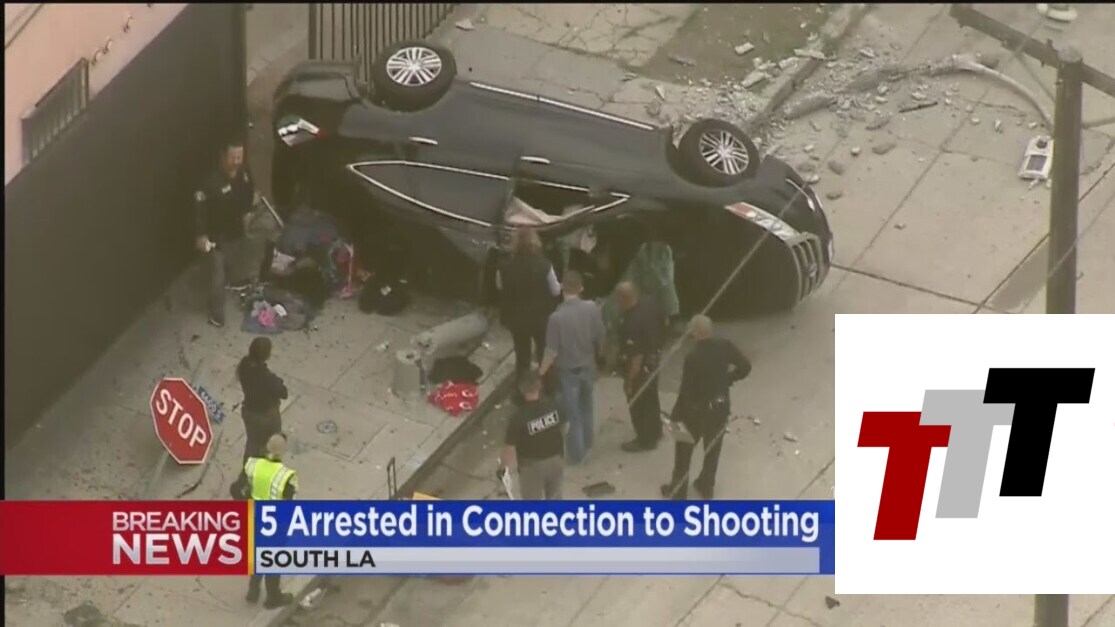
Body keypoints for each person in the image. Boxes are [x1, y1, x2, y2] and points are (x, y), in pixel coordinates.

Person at [661, 315, 751, 500]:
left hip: (695, 413)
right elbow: (746, 366)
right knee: (712, 450)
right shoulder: (725, 345)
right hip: (719, 409)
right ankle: (706, 485)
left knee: (683, 453)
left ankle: (678, 492)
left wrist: (675, 416)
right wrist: (728, 379)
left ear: (695, 333)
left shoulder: (692, 358)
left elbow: (686, 391)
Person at [539, 271, 605, 464]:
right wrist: (599, 356)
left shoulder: (556, 318)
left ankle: (577, 454)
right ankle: (588, 443)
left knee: (573, 415)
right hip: (588, 366)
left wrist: (540, 373)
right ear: (581, 288)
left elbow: (551, 351)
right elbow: (600, 335)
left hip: (568, 371)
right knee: (587, 407)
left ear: (562, 289)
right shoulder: (592, 308)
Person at [194, 135, 260, 327]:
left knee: (239, 258)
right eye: (232, 157)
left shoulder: (243, 172)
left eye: (240, 157)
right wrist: (201, 234)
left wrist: (249, 211)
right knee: (218, 276)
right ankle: (217, 315)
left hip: (236, 230)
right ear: (223, 156)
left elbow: (249, 190)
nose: (237, 161)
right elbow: (199, 210)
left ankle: (237, 280)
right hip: (216, 235)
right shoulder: (210, 182)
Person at [496, 227, 561, 376]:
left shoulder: (504, 266)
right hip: (540, 317)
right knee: (544, 352)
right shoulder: (545, 265)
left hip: (516, 317)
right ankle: (548, 383)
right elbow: (556, 291)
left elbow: (500, 286)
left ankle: (522, 384)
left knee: (522, 354)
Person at [244, 433, 297, 608]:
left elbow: (244, 488)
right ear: (282, 452)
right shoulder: (285, 476)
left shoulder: (253, 465)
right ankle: (273, 598)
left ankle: (253, 591)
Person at [230, 337, 287, 499]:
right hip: (266, 416)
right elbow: (283, 392)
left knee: (253, 445)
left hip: (250, 413)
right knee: (270, 449)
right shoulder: (266, 377)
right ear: (266, 355)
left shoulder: (245, 366)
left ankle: (243, 482)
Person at [501, 370, 568, 499]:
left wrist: (502, 467)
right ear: (540, 386)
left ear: (521, 390)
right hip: (555, 459)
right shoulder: (553, 406)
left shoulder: (518, 417)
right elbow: (565, 425)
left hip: (531, 466)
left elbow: (509, 448)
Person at [616, 282, 666, 453]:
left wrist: (629, 382)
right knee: (651, 398)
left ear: (624, 298)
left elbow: (636, 359)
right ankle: (656, 431)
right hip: (654, 358)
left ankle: (645, 440)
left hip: (640, 366)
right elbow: (664, 321)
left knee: (638, 403)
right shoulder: (650, 302)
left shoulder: (632, 323)